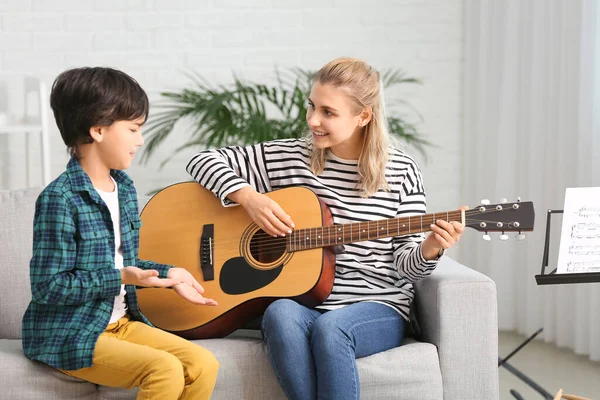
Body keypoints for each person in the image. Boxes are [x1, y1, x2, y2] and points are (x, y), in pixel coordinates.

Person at [186, 57, 466, 400]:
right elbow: (201, 160)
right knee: (278, 312)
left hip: (377, 303)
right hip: (308, 300)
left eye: (328, 112)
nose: (313, 120)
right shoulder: (292, 157)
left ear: (363, 116)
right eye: (312, 106)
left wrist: (431, 247)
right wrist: (249, 198)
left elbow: (406, 267)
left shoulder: (402, 172)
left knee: (331, 329)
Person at [22, 67, 219, 400]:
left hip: (121, 324)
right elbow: (47, 286)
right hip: (71, 333)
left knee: (203, 364)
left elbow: (124, 263)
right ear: (98, 130)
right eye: (133, 128)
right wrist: (121, 277)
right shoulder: (60, 198)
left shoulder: (124, 189)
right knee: (164, 370)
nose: (140, 139)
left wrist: (172, 274)